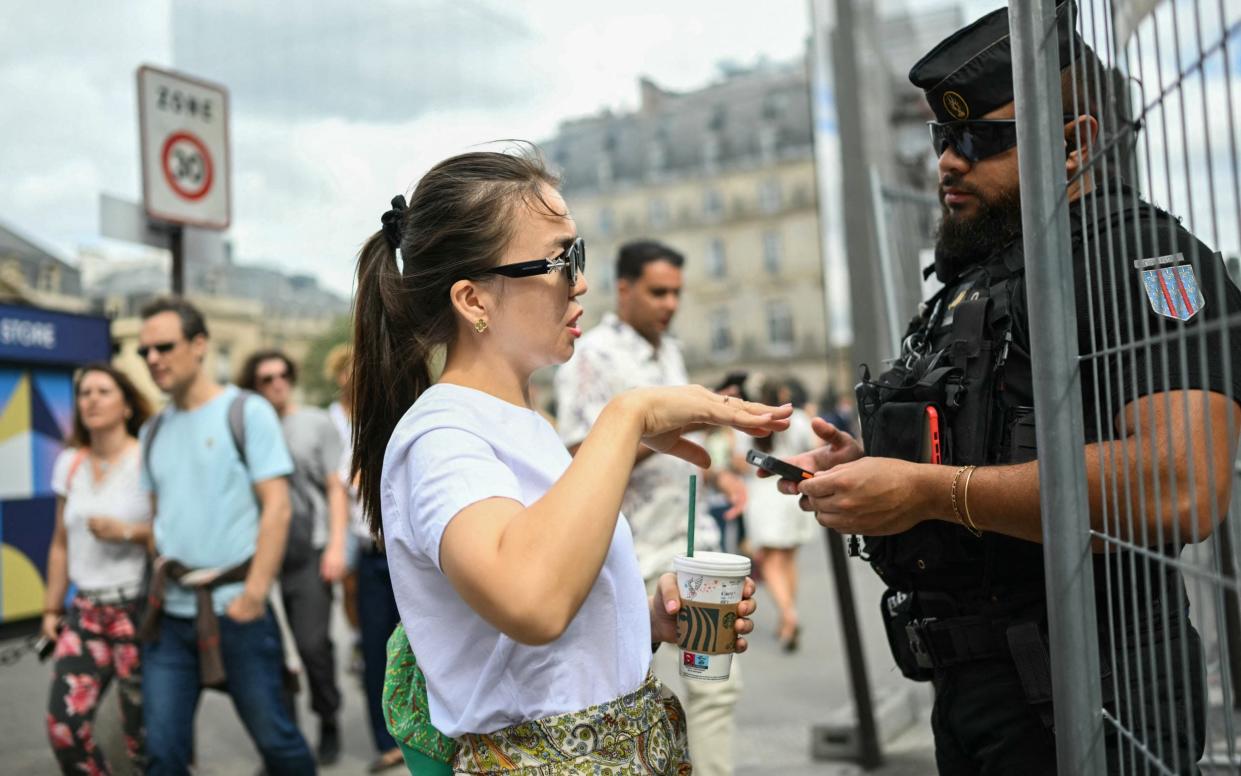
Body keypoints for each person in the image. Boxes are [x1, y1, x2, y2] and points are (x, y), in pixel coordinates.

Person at [776, 4, 1241, 773]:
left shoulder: (1136, 253)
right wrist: (873, 469)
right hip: (981, 687)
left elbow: (1178, 484)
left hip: (1090, 688)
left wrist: (929, 491)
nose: (947, 163)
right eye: (940, 139)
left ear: (1074, 144)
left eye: (980, 140)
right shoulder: (989, 274)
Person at [349, 148, 784, 774]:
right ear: (474, 300)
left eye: (578, 256)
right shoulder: (441, 435)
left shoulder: (523, 425)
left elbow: (532, 639)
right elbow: (531, 600)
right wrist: (626, 416)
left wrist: (644, 620)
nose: (580, 282)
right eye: (561, 260)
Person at [555, 239, 750, 776]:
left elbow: (678, 458)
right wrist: (663, 426)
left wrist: (725, 477)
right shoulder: (590, 354)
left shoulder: (670, 351)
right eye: (658, 292)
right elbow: (580, 458)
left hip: (694, 546)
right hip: (631, 555)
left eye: (676, 294)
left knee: (716, 687)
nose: (669, 304)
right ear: (623, 289)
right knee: (631, 704)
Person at [136, 296, 315, 775]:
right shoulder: (152, 430)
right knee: (162, 753)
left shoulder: (246, 411)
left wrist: (255, 593)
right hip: (169, 622)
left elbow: (277, 507)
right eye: (144, 352)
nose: (153, 359)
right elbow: (157, 518)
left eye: (164, 346)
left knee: (278, 743)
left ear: (199, 346)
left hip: (238, 612)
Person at [239, 349, 348, 765]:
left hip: (310, 551)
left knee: (312, 646)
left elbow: (335, 488)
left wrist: (336, 545)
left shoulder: (314, 423)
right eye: (266, 378)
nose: (277, 382)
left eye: (283, 374)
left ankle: (328, 717)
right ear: (255, 385)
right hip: (259, 557)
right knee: (270, 655)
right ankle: (285, 744)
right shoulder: (246, 429)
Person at [42, 363, 153, 774]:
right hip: (85, 613)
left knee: (142, 738)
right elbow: (59, 543)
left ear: (126, 405)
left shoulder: (147, 459)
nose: (90, 399)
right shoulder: (69, 463)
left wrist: (125, 531)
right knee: (64, 729)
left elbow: (168, 537)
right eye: (84, 393)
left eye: (103, 391)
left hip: (137, 613)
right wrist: (51, 609)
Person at [324, 343, 405, 772]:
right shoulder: (355, 426)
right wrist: (338, 545)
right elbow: (341, 484)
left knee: (425, 646)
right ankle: (387, 737)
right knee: (378, 649)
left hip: (414, 556)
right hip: (373, 555)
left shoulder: (407, 409)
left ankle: (433, 730)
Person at [740, 379, 819, 653]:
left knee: (770, 563)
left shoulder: (749, 420)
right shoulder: (797, 419)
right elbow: (815, 447)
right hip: (792, 491)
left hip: (764, 494)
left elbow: (739, 460)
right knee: (787, 560)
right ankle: (787, 618)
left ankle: (788, 615)